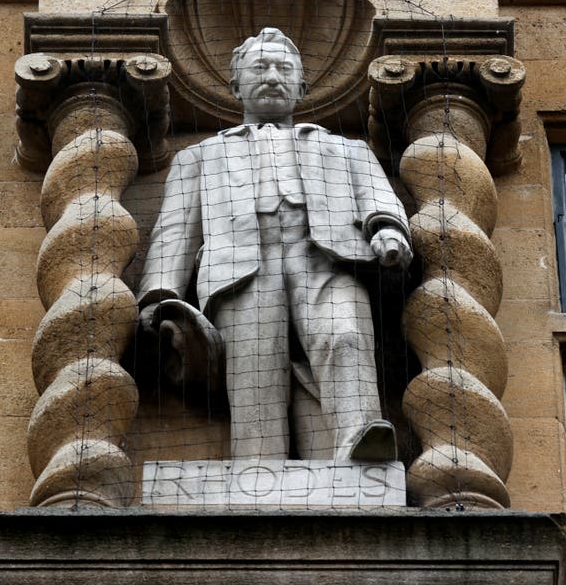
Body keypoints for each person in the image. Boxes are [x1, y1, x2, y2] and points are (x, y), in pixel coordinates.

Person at [137, 28, 412, 461]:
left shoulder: (345, 148)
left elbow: (378, 195)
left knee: (345, 335)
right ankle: (257, 467)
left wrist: (389, 229)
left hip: (326, 259)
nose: (272, 76)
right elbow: (175, 230)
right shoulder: (199, 156)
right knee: (255, 373)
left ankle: (360, 440)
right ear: (234, 85)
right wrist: (158, 294)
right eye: (259, 67)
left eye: (284, 69)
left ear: (302, 86)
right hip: (240, 269)